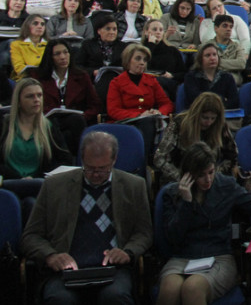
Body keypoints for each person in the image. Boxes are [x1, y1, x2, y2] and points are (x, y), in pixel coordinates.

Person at [158, 141, 251, 305]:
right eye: (201, 175)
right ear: (188, 175)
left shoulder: (225, 186)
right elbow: (172, 237)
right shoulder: (172, 193)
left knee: (193, 288)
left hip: (218, 255)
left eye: (211, 172)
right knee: (169, 289)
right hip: (183, 256)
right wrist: (186, 203)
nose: (208, 179)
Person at [21, 130, 152, 305]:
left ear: (114, 160)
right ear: (81, 159)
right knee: (60, 299)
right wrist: (50, 256)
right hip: (65, 272)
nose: (96, 174)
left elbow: (144, 233)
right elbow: (31, 236)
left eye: (103, 169)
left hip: (113, 270)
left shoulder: (134, 185)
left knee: (115, 297)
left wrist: (128, 252)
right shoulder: (54, 185)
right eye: (89, 168)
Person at [0, 78, 72, 190]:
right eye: (30, 96)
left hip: (39, 186)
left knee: (31, 202)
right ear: (18, 101)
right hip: (8, 184)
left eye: (39, 95)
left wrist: (38, 177)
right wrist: (18, 178)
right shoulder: (4, 125)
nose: (36, 100)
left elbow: (65, 160)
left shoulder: (49, 127)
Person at [107, 43, 174, 158]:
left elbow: (166, 103)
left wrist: (159, 112)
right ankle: (143, 160)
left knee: (151, 123)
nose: (142, 62)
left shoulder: (151, 80)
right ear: (128, 61)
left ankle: (151, 160)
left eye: (144, 60)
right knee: (146, 122)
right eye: (138, 59)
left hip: (149, 120)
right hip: (126, 121)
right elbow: (113, 110)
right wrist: (139, 115)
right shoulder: (116, 82)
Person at [154, 92, 238, 184]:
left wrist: (214, 174)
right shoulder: (178, 124)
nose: (209, 122)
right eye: (205, 118)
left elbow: (232, 156)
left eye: (213, 118)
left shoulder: (220, 126)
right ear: (196, 114)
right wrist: (180, 177)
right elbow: (159, 158)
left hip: (211, 180)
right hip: (181, 179)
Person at [35, 38, 101, 155]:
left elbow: (95, 104)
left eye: (66, 52)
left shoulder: (81, 76)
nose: (63, 57)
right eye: (57, 54)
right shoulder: (40, 77)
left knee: (74, 124)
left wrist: (84, 115)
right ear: (50, 57)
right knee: (56, 127)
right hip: (49, 120)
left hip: (76, 120)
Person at [76, 13, 127, 107]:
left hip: (118, 79)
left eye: (114, 29)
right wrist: (93, 72)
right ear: (99, 30)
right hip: (94, 79)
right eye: (108, 29)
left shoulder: (123, 47)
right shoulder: (88, 45)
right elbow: (78, 66)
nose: (112, 32)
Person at [184, 41, 240, 110]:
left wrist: (206, 97)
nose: (212, 58)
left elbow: (234, 102)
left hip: (223, 115)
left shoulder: (227, 77)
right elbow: (195, 100)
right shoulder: (191, 77)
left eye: (214, 54)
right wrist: (221, 98)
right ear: (200, 59)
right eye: (208, 55)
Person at [141, 19, 186, 100]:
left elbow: (183, 73)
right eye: (154, 29)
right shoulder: (140, 50)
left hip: (168, 82)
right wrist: (151, 45)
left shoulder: (172, 50)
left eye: (161, 30)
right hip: (146, 82)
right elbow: (144, 64)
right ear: (146, 32)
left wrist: (172, 75)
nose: (158, 32)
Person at [205, 14, 248, 85]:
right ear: (216, 28)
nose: (229, 29)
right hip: (212, 80)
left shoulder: (237, 46)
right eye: (225, 26)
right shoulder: (207, 46)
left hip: (232, 81)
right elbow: (204, 64)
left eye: (231, 27)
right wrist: (231, 65)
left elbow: (241, 64)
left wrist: (217, 62)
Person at [11, 14, 47, 80]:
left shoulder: (49, 45)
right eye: (35, 23)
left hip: (46, 78)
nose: (40, 26)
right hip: (25, 79)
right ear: (27, 26)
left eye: (42, 24)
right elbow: (19, 68)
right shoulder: (16, 45)